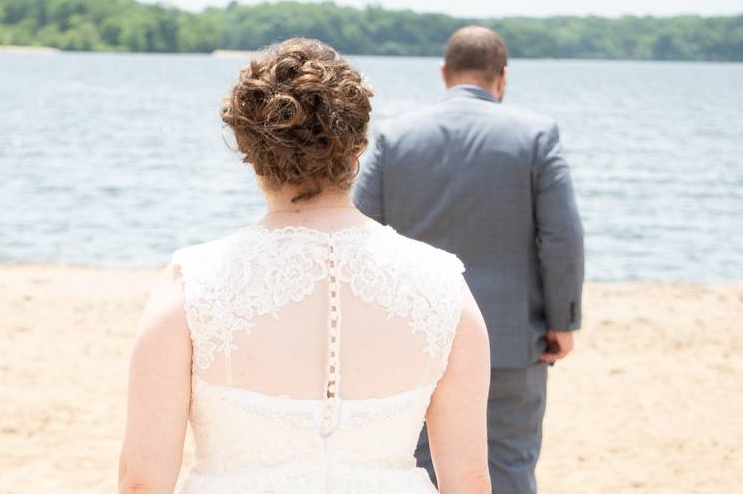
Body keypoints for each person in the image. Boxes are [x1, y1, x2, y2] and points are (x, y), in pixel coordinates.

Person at [118, 38, 491, 494]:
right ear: (357, 145)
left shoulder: (192, 283)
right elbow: (469, 480)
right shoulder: (444, 285)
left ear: (249, 151)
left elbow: (142, 483)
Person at [352, 25, 585, 494]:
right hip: (511, 340)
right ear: (503, 77)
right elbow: (560, 237)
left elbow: (361, 233)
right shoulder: (537, 135)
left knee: (416, 466)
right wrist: (563, 321)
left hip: (413, 336)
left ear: (444, 73)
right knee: (508, 463)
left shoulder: (394, 138)